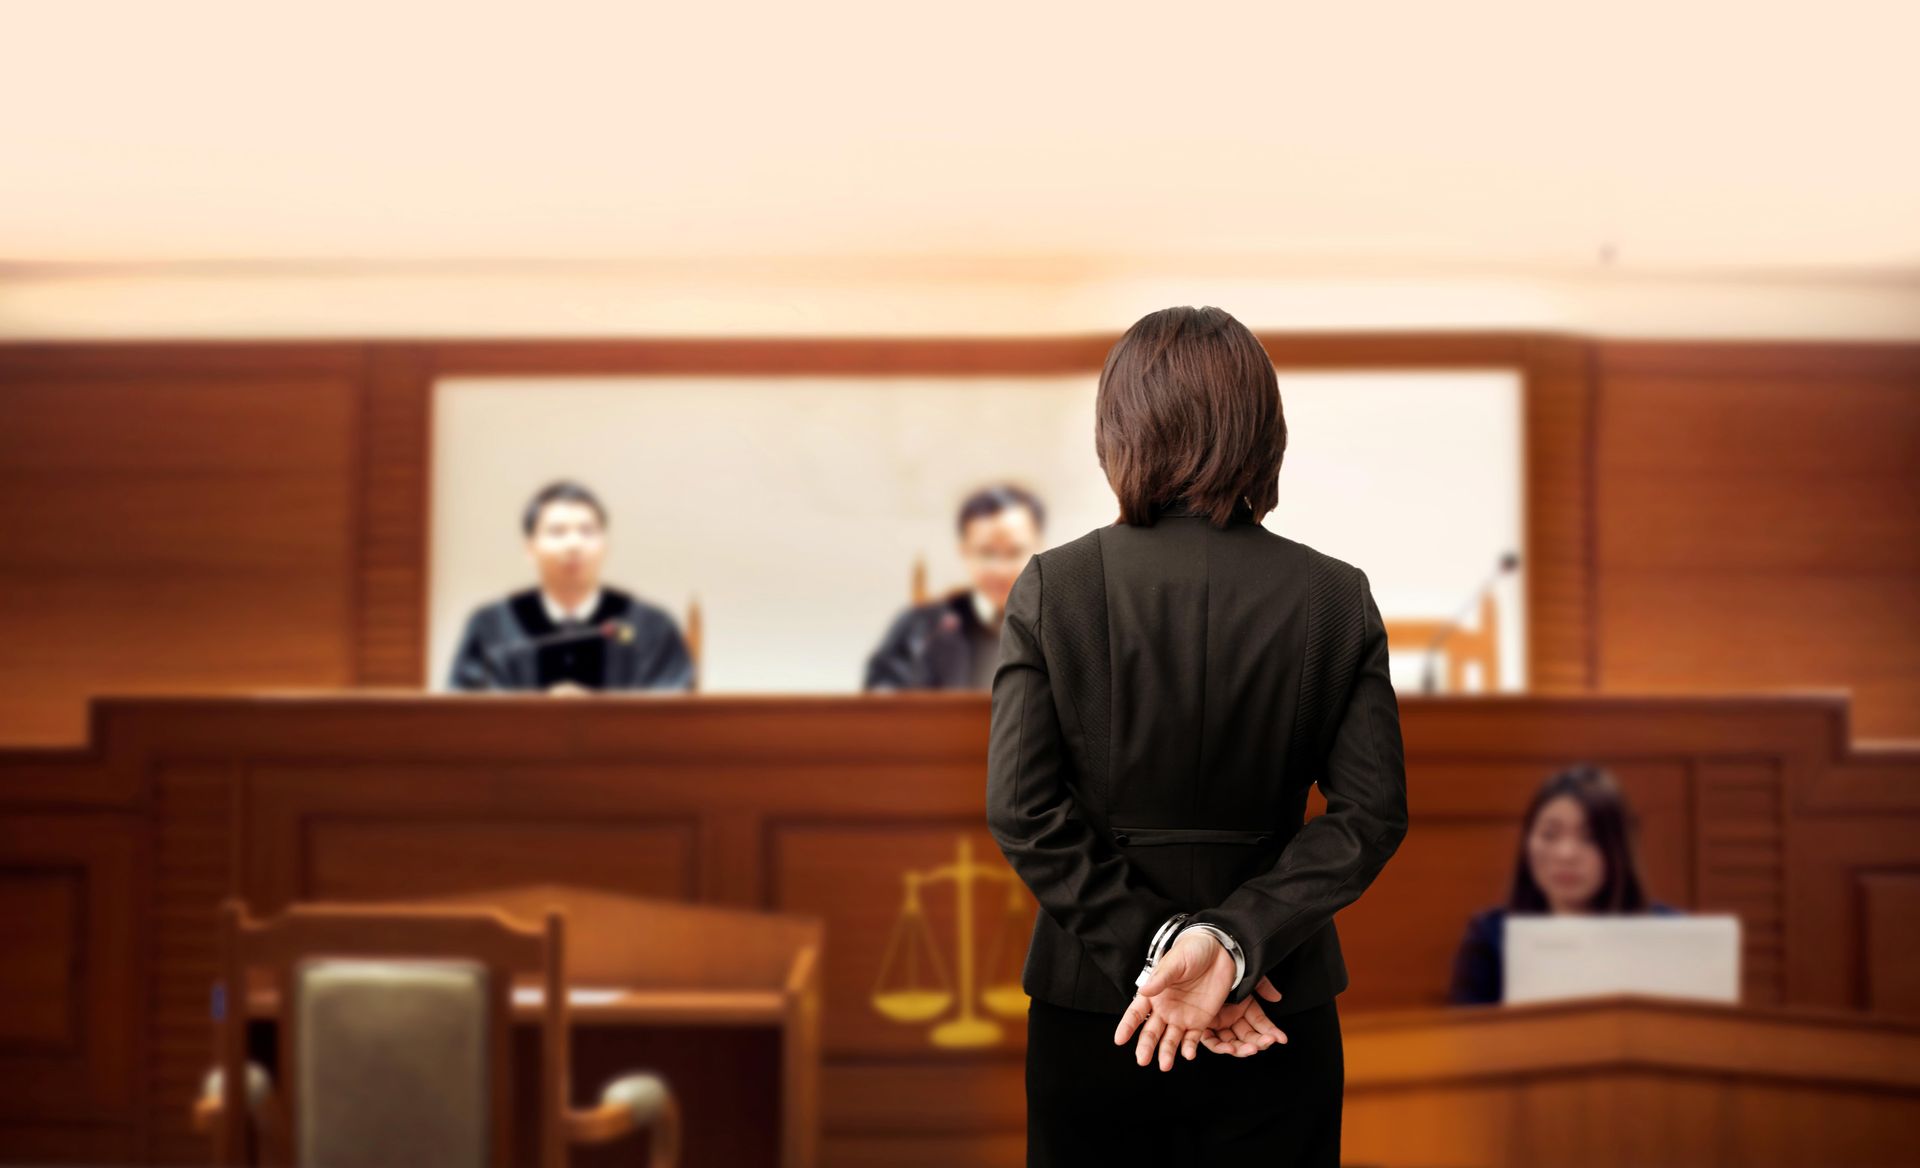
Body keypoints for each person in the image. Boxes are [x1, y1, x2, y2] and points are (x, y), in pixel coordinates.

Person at [986, 306, 1409, 1167]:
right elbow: (1370, 815)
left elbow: (1022, 809)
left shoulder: (1054, 587)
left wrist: (1156, 948)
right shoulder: (1336, 597)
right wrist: (1231, 947)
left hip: (1098, 1007)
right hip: (1276, 1007)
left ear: (1118, 429)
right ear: (1264, 431)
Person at [1447, 763, 1682, 1006]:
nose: (1566, 854)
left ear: (1618, 849)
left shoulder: (1670, 935)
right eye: (1550, 834)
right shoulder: (1490, 938)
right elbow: (1468, 1028)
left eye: (1589, 838)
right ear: (1527, 842)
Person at [446, 480, 694, 693]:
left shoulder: (647, 626)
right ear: (529, 548)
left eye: (587, 531)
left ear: (605, 545)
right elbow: (467, 710)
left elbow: (673, 709)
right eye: (557, 532)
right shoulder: (493, 626)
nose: (574, 544)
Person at [863, 484, 1045, 691]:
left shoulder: (1064, 624)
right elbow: (882, 696)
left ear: (1039, 549)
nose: (1000, 570)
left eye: (1014, 552)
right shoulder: (919, 628)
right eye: (986, 553)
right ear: (965, 552)